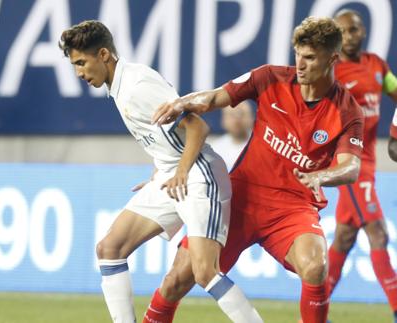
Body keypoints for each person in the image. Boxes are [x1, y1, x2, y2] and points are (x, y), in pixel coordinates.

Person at [142, 16, 364, 323]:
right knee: (178, 278)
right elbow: (215, 97)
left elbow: (351, 166)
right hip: (239, 198)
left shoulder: (347, 110)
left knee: (316, 266)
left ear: (333, 58)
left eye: (310, 57)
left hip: (293, 208)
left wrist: (320, 176)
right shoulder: (269, 77)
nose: (300, 64)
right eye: (297, 54)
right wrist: (183, 103)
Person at [59, 20, 262, 323]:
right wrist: (161, 172)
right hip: (172, 174)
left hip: (198, 174)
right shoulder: (120, 85)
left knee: (205, 271)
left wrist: (179, 171)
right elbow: (163, 138)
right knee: (110, 247)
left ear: (103, 54)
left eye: (81, 63)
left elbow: (197, 127)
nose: (79, 73)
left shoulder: (137, 87)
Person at [325, 9, 397, 320]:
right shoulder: (330, 72)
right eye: (342, 31)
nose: (349, 36)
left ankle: (312, 308)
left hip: (369, 161)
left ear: (363, 32)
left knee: (343, 237)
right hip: (348, 162)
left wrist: (394, 134)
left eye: (353, 30)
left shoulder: (377, 66)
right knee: (378, 233)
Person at [209, 101, 254, 170]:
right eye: (232, 115)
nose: (237, 120)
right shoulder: (214, 150)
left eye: (242, 114)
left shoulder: (263, 145)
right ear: (223, 120)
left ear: (251, 118)